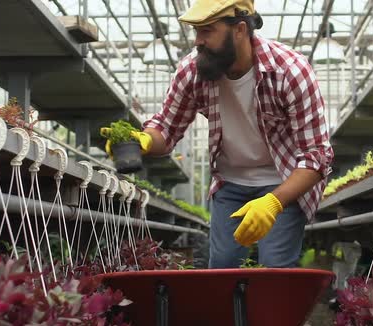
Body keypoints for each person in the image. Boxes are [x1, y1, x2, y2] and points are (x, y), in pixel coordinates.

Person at [115, 0, 333, 268]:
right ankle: (230, 311)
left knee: (275, 268)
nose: (197, 41)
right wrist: (144, 140)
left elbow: (316, 156)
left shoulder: (290, 71)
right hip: (230, 182)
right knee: (223, 267)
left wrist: (274, 203)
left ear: (239, 30)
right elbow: (166, 129)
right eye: (196, 32)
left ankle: (270, 309)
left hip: (283, 181)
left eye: (207, 31)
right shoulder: (193, 72)